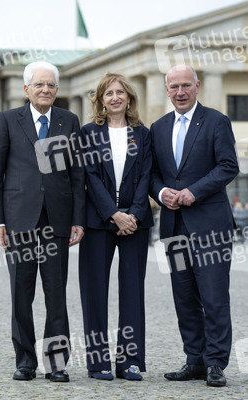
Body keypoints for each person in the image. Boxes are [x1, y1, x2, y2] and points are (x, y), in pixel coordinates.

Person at [0, 61, 86, 382]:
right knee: (21, 294)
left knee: (56, 295)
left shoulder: (69, 121)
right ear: (27, 89)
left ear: (57, 90)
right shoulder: (7, 120)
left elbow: (77, 174)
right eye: (39, 85)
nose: (45, 90)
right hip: (19, 222)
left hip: (57, 222)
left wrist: (77, 220)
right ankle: (25, 361)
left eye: (51, 85)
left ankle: (56, 363)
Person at [150, 65, 239, 387]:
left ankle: (216, 363)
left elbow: (229, 165)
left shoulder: (216, 121)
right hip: (173, 226)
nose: (180, 92)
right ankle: (195, 360)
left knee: (214, 297)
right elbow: (154, 173)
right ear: (167, 89)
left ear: (197, 86)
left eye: (186, 85)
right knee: (184, 298)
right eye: (174, 87)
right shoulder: (157, 128)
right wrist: (161, 193)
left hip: (211, 225)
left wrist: (193, 191)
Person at [78, 72, 153, 381]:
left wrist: (132, 215)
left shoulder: (143, 133)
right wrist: (113, 214)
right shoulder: (88, 133)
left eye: (120, 92)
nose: (115, 97)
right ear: (101, 99)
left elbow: (147, 173)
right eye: (108, 93)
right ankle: (98, 362)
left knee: (132, 292)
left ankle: (130, 361)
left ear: (129, 98)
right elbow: (90, 178)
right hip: (98, 221)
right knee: (94, 292)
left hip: (136, 222)